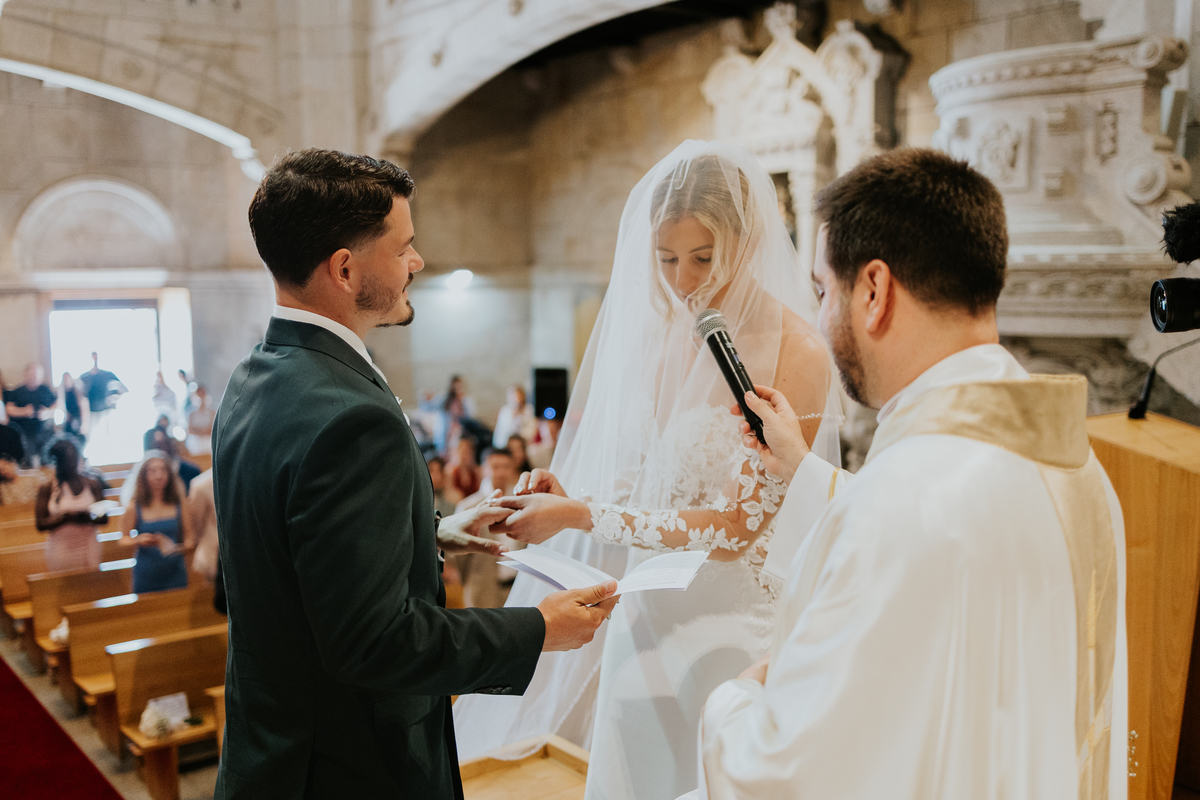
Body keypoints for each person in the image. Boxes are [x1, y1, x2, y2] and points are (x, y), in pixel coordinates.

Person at [693, 149, 1127, 799]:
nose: (817, 316)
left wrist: (733, 701)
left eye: (820, 290)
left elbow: (783, 776)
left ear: (874, 290)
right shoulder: (1075, 471)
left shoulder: (902, 503)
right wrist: (804, 472)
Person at [211, 148, 618, 800]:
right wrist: (539, 629)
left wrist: (436, 530)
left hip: (272, 748)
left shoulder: (259, 375)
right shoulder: (349, 415)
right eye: (403, 246)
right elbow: (373, 642)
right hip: (348, 767)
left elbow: (284, 558)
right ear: (345, 269)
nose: (417, 262)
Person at [454, 141, 842, 799]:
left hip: (731, 631)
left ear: (747, 243)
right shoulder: (660, 333)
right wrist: (573, 497)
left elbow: (738, 528)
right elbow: (652, 488)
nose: (684, 281)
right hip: (647, 616)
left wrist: (583, 515)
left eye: (703, 258)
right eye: (667, 260)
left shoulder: (798, 352)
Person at [455, 448, 522, 609]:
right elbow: (460, 556)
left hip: (515, 586)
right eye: (495, 466)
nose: (501, 472)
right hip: (482, 588)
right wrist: (471, 580)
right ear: (484, 468)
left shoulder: (520, 502)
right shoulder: (468, 507)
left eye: (505, 466)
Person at [119, 453, 193, 593]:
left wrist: (176, 548)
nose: (159, 476)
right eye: (153, 471)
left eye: (163, 470)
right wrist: (139, 540)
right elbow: (123, 539)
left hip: (175, 570)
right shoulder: (134, 506)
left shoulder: (180, 503)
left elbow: (190, 539)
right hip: (146, 572)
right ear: (144, 476)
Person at [35, 437, 107, 571]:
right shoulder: (48, 488)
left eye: (73, 460)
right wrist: (65, 518)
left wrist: (87, 517)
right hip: (61, 549)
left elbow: (104, 518)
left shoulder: (92, 483)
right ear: (57, 462)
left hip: (89, 545)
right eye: (66, 462)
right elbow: (40, 524)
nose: (70, 465)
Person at [4, 363, 57, 462]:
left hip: (44, 432)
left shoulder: (45, 390)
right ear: (26, 375)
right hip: (25, 433)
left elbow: (56, 406)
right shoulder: (17, 392)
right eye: (33, 374)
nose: (35, 377)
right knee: (28, 460)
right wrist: (24, 411)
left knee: (46, 459)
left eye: (38, 375)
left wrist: (47, 413)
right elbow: (9, 409)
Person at [80, 352, 124, 434]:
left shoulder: (106, 374)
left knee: (106, 434)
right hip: (91, 411)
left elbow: (122, 388)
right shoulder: (84, 376)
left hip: (105, 410)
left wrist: (114, 398)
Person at [492, 385, 536, 450]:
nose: (515, 400)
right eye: (512, 397)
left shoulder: (529, 410)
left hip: (525, 444)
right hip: (506, 444)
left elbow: (533, 430)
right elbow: (500, 431)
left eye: (516, 397)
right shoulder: (505, 411)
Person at [445, 436, 482, 503]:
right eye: (462, 450)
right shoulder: (449, 471)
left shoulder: (477, 471)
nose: (465, 454)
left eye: (468, 450)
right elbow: (449, 495)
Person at [186, 385, 216, 455]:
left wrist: (206, 431)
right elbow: (189, 430)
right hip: (196, 440)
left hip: (208, 439)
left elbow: (214, 427)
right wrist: (200, 431)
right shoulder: (191, 412)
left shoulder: (213, 411)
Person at [426, 455, 457, 519]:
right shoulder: (422, 501)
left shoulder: (453, 499)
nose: (435, 476)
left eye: (438, 471)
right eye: (432, 471)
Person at [60, 372, 84, 438]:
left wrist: (83, 422)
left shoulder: (77, 391)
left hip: (76, 418)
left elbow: (82, 406)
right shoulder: (62, 393)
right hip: (68, 419)